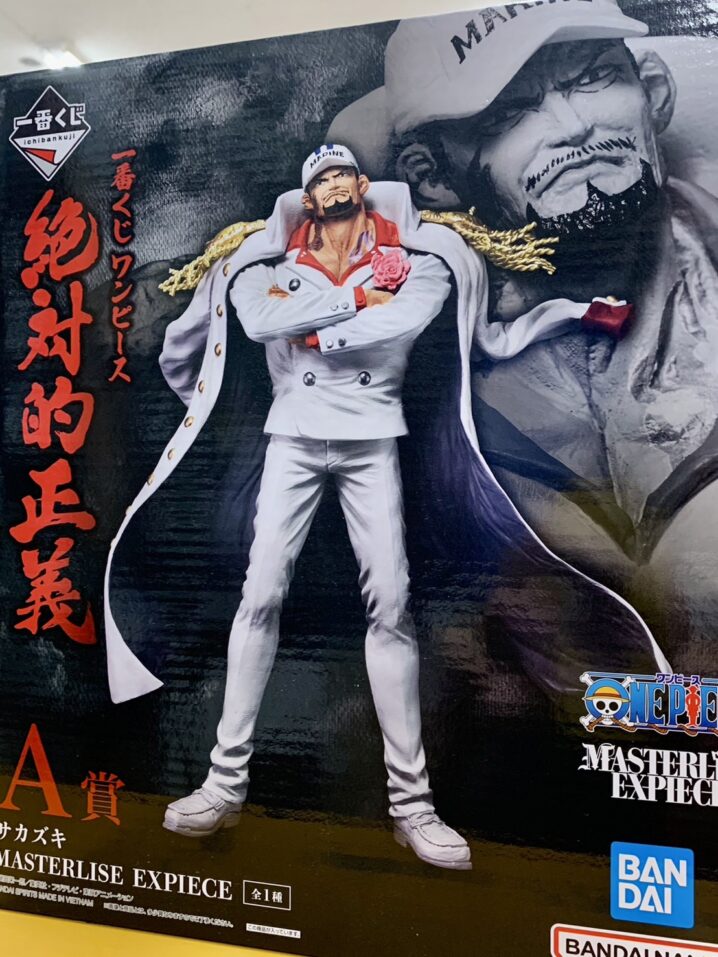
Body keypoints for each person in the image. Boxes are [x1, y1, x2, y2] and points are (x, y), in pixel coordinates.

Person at [103, 141, 668, 866]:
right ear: (307, 197)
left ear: (363, 185)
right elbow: (258, 322)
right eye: (321, 179)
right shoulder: (260, 267)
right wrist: (353, 300)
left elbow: (399, 322)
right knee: (259, 596)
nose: (334, 188)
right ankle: (223, 784)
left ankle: (413, 806)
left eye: (344, 175)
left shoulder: (422, 262)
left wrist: (318, 318)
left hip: (374, 441)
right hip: (292, 439)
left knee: (391, 608)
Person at [327, 0, 718, 668]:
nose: (573, 126)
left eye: (592, 78)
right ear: (432, 176)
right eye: (508, 113)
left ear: (653, 92)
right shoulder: (431, 392)